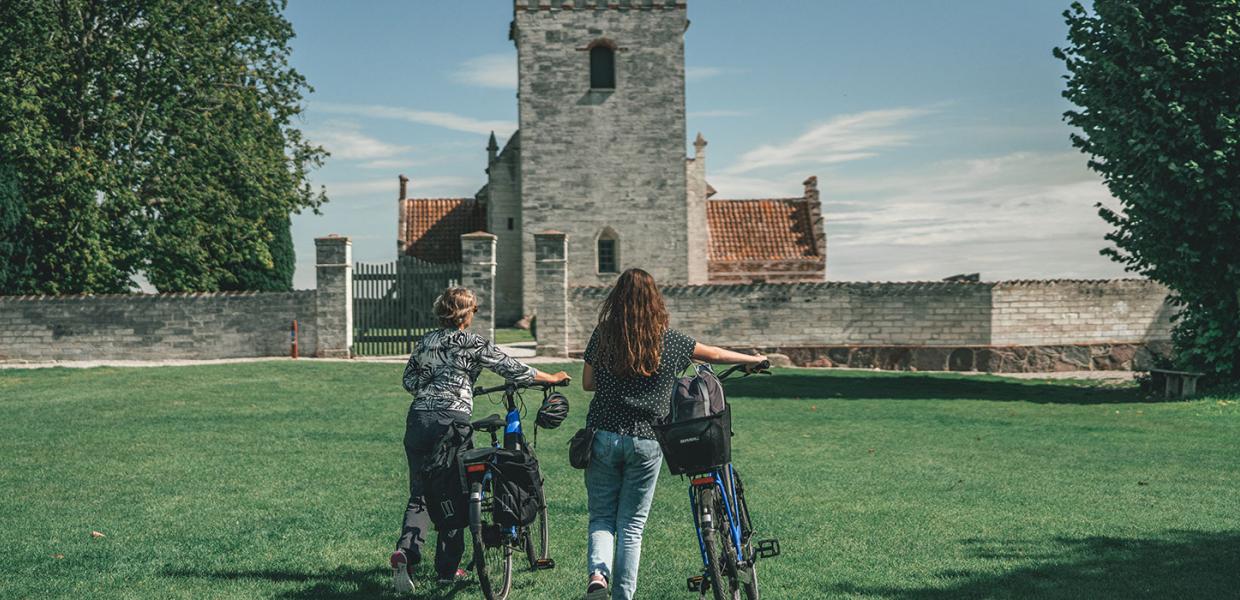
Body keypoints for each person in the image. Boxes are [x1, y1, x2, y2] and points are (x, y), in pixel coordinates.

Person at [581, 268, 766, 600]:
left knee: (602, 516)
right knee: (632, 527)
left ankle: (598, 576)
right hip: (647, 440)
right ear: (655, 301)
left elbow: (588, 383)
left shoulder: (603, 335)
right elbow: (715, 354)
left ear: (617, 298)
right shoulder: (669, 340)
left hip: (603, 435)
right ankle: (623, 596)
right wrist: (752, 359)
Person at [390, 287, 570, 593]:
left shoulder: (426, 341)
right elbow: (512, 369)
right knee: (455, 491)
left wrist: (432, 383)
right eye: (474, 310)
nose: (475, 315)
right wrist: (551, 378)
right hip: (451, 422)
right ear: (465, 314)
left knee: (422, 492)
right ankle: (447, 571)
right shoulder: (471, 343)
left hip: (418, 419)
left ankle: (406, 552)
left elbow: (409, 380)